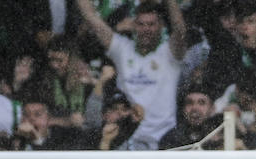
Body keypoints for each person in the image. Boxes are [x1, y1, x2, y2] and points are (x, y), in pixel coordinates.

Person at [74, 0, 187, 150]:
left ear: (161, 26)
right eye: (141, 24)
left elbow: (180, 30)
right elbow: (91, 17)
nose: (146, 29)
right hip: (126, 140)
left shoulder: (169, 53)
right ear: (133, 25)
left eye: (151, 24)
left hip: (163, 143)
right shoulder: (122, 48)